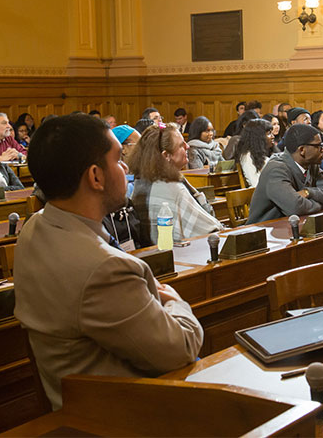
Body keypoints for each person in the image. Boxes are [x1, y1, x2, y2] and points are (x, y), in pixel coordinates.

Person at [14, 114, 203, 410]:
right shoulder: (104, 269)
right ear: (96, 177)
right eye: (118, 160)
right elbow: (182, 347)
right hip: (129, 416)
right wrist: (175, 300)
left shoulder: (34, 229)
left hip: (74, 407)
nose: (126, 167)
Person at [129, 123, 223, 246]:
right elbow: (210, 229)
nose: (187, 146)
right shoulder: (173, 189)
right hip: (179, 258)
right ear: (166, 155)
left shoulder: (140, 183)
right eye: (181, 145)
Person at [247, 124, 323, 224]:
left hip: (292, 227)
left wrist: (308, 192)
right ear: (302, 150)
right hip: (264, 232)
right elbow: (296, 207)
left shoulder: (311, 166)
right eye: (318, 146)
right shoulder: (276, 169)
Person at [235, 118, 275, 187]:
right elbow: (255, 184)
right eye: (269, 133)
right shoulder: (247, 157)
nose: (272, 136)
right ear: (258, 137)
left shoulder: (266, 152)